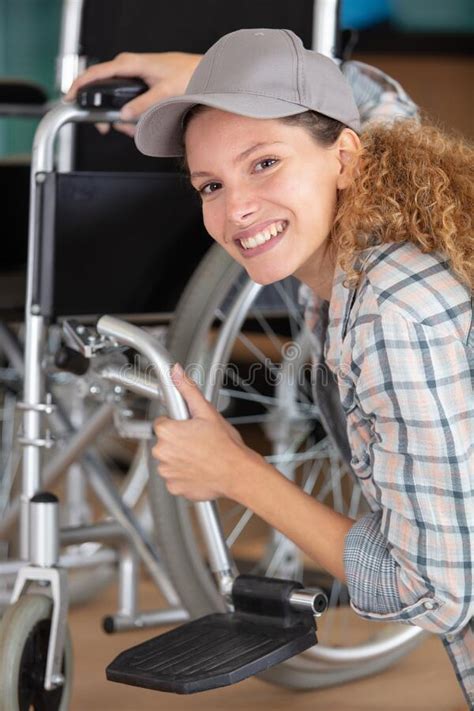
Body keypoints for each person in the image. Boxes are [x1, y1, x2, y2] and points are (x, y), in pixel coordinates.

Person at [70, 29, 473, 703]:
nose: (236, 210)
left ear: (345, 157)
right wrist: (210, 75)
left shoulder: (390, 316)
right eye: (210, 184)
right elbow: (377, 102)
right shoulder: (382, 217)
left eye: (263, 164)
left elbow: (441, 591)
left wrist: (236, 471)